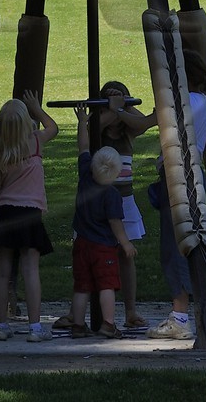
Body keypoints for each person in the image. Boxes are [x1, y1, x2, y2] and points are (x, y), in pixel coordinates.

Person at [0, 91, 59, 342]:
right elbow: (53, 128)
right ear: (26, 123)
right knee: (30, 270)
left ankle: (1, 325)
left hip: (5, 213)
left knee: (2, 271)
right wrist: (37, 109)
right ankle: (35, 328)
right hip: (30, 214)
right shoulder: (35, 142)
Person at [148, 58, 206, 341]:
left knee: (174, 246)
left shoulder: (184, 100)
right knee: (197, 241)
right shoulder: (205, 102)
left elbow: (146, 123)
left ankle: (179, 317)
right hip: (193, 175)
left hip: (177, 175)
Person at [65, 108, 134, 340]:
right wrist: (125, 244)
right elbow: (115, 223)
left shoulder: (86, 175)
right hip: (103, 246)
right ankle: (108, 323)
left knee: (81, 286)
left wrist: (83, 122)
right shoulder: (112, 194)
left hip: (81, 243)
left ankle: (77, 324)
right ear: (116, 173)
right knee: (106, 285)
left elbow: (83, 147)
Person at [95, 80, 154, 328]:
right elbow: (91, 124)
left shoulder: (129, 131)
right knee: (94, 253)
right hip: (98, 203)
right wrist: (110, 109)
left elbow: (148, 122)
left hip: (124, 201)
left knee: (126, 256)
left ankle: (130, 310)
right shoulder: (96, 132)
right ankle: (92, 310)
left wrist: (121, 108)